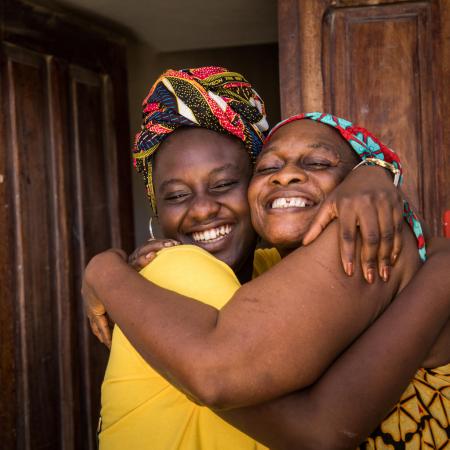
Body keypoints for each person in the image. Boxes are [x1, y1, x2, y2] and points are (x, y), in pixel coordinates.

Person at [84, 68, 450, 449]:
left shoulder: (329, 252)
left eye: (225, 184)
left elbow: (313, 425)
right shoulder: (179, 267)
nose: (203, 209)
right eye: (176, 195)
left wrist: (103, 272)